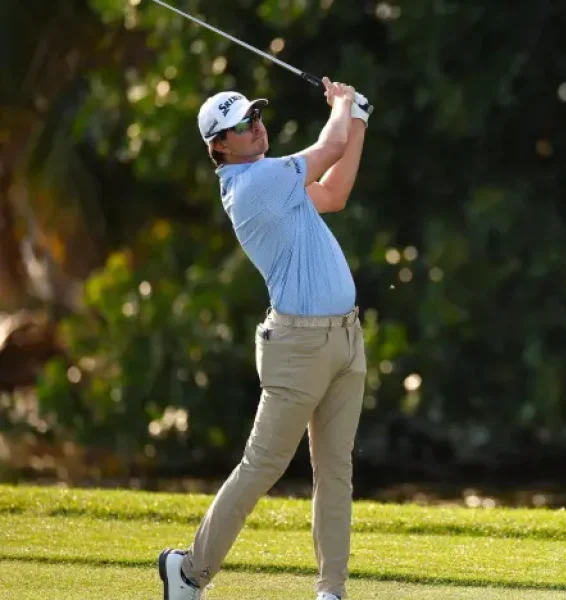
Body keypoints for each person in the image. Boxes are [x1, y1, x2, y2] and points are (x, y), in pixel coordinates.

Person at [158, 78, 371, 600]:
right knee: (263, 466)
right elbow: (330, 147)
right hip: (298, 348)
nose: (257, 128)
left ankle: (331, 591)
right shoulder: (256, 184)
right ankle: (188, 573)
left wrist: (359, 117)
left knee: (336, 470)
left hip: (346, 338)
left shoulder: (277, 181)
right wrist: (345, 107)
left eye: (256, 117)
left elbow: (336, 193)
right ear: (220, 147)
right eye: (242, 127)